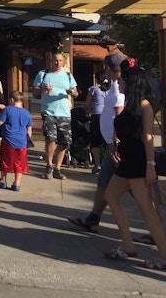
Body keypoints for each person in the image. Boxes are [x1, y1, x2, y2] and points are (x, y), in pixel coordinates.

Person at [103, 62, 166, 271]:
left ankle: (165, 257)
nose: (120, 83)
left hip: (139, 163)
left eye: (123, 80)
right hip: (127, 161)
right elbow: (127, 133)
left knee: (147, 210)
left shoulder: (144, 106)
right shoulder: (129, 105)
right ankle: (127, 244)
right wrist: (115, 144)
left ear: (131, 83)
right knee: (111, 196)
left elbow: (148, 137)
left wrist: (151, 166)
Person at [66, 53, 127, 233]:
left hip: (115, 144)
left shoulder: (117, 87)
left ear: (108, 68)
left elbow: (120, 113)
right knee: (104, 181)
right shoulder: (117, 85)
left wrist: (117, 139)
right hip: (111, 143)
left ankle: (151, 230)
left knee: (134, 188)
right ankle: (93, 218)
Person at [32, 52, 78, 180]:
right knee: (50, 138)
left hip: (64, 112)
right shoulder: (43, 74)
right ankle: (49, 166)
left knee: (64, 142)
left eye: (60, 61)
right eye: (55, 61)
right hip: (48, 112)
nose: (58, 63)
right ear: (51, 61)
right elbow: (34, 90)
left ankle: (58, 168)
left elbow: (76, 93)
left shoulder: (68, 76)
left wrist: (72, 93)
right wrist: (43, 90)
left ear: (63, 62)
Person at [0, 90, 33, 191]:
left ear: (12, 100)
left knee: (5, 160)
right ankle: (17, 184)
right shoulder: (27, 113)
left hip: (8, 140)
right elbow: (29, 128)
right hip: (22, 142)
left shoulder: (8, 109)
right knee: (20, 163)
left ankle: (3, 180)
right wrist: (28, 141)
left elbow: (0, 122)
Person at [84, 73, 110, 173]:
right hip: (108, 115)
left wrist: (87, 109)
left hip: (97, 115)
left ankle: (97, 164)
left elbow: (86, 104)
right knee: (107, 140)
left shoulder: (93, 89)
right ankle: (108, 163)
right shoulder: (111, 89)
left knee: (95, 140)